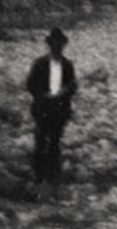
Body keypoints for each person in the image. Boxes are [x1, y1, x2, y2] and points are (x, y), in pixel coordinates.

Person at [26, 26, 78, 185]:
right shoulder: (40, 64)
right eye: (55, 44)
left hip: (59, 109)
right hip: (43, 108)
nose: (57, 47)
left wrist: (64, 92)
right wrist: (43, 96)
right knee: (40, 141)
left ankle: (53, 176)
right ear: (50, 45)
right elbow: (30, 84)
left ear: (63, 46)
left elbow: (73, 86)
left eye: (60, 44)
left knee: (55, 142)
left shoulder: (68, 65)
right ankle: (38, 175)